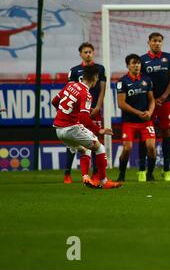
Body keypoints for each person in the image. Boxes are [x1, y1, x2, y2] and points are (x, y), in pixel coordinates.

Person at [52, 66, 121, 189]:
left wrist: (64, 113)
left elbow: (54, 101)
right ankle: (104, 182)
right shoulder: (86, 93)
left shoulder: (70, 85)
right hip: (71, 129)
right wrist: (99, 130)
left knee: (85, 150)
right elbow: (84, 118)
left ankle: (86, 178)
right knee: (100, 148)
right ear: (95, 78)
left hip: (58, 129)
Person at [63, 42, 106, 184]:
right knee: (74, 142)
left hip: (94, 109)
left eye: (90, 52)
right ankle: (67, 173)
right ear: (80, 54)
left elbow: (102, 89)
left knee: (95, 140)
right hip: (78, 111)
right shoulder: (74, 71)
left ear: (93, 53)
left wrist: (98, 106)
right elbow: (69, 90)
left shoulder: (100, 69)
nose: (88, 54)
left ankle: (95, 173)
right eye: (85, 52)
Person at [139, 32, 170, 182]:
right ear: (148, 42)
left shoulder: (169, 57)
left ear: (162, 42)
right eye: (154, 41)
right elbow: (139, 80)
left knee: (166, 132)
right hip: (147, 103)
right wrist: (151, 99)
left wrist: (162, 96)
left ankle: (167, 170)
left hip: (165, 101)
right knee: (145, 135)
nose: (157, 43)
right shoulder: (142, 60)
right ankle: (142, 170)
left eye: (159, 41)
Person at [116, 54, 156, 182]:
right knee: (127, 148)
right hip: (129, 122)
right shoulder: (122, 82)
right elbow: (121, 104)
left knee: (151, 147)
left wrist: (150, 112)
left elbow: (152, 100)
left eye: (138, 63)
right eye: (133, 63)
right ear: (128, 65)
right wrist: (138, 112)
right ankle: (121, 175)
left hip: (146, 121)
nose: (137, 65)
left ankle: (150, 175)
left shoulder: (146, 80)